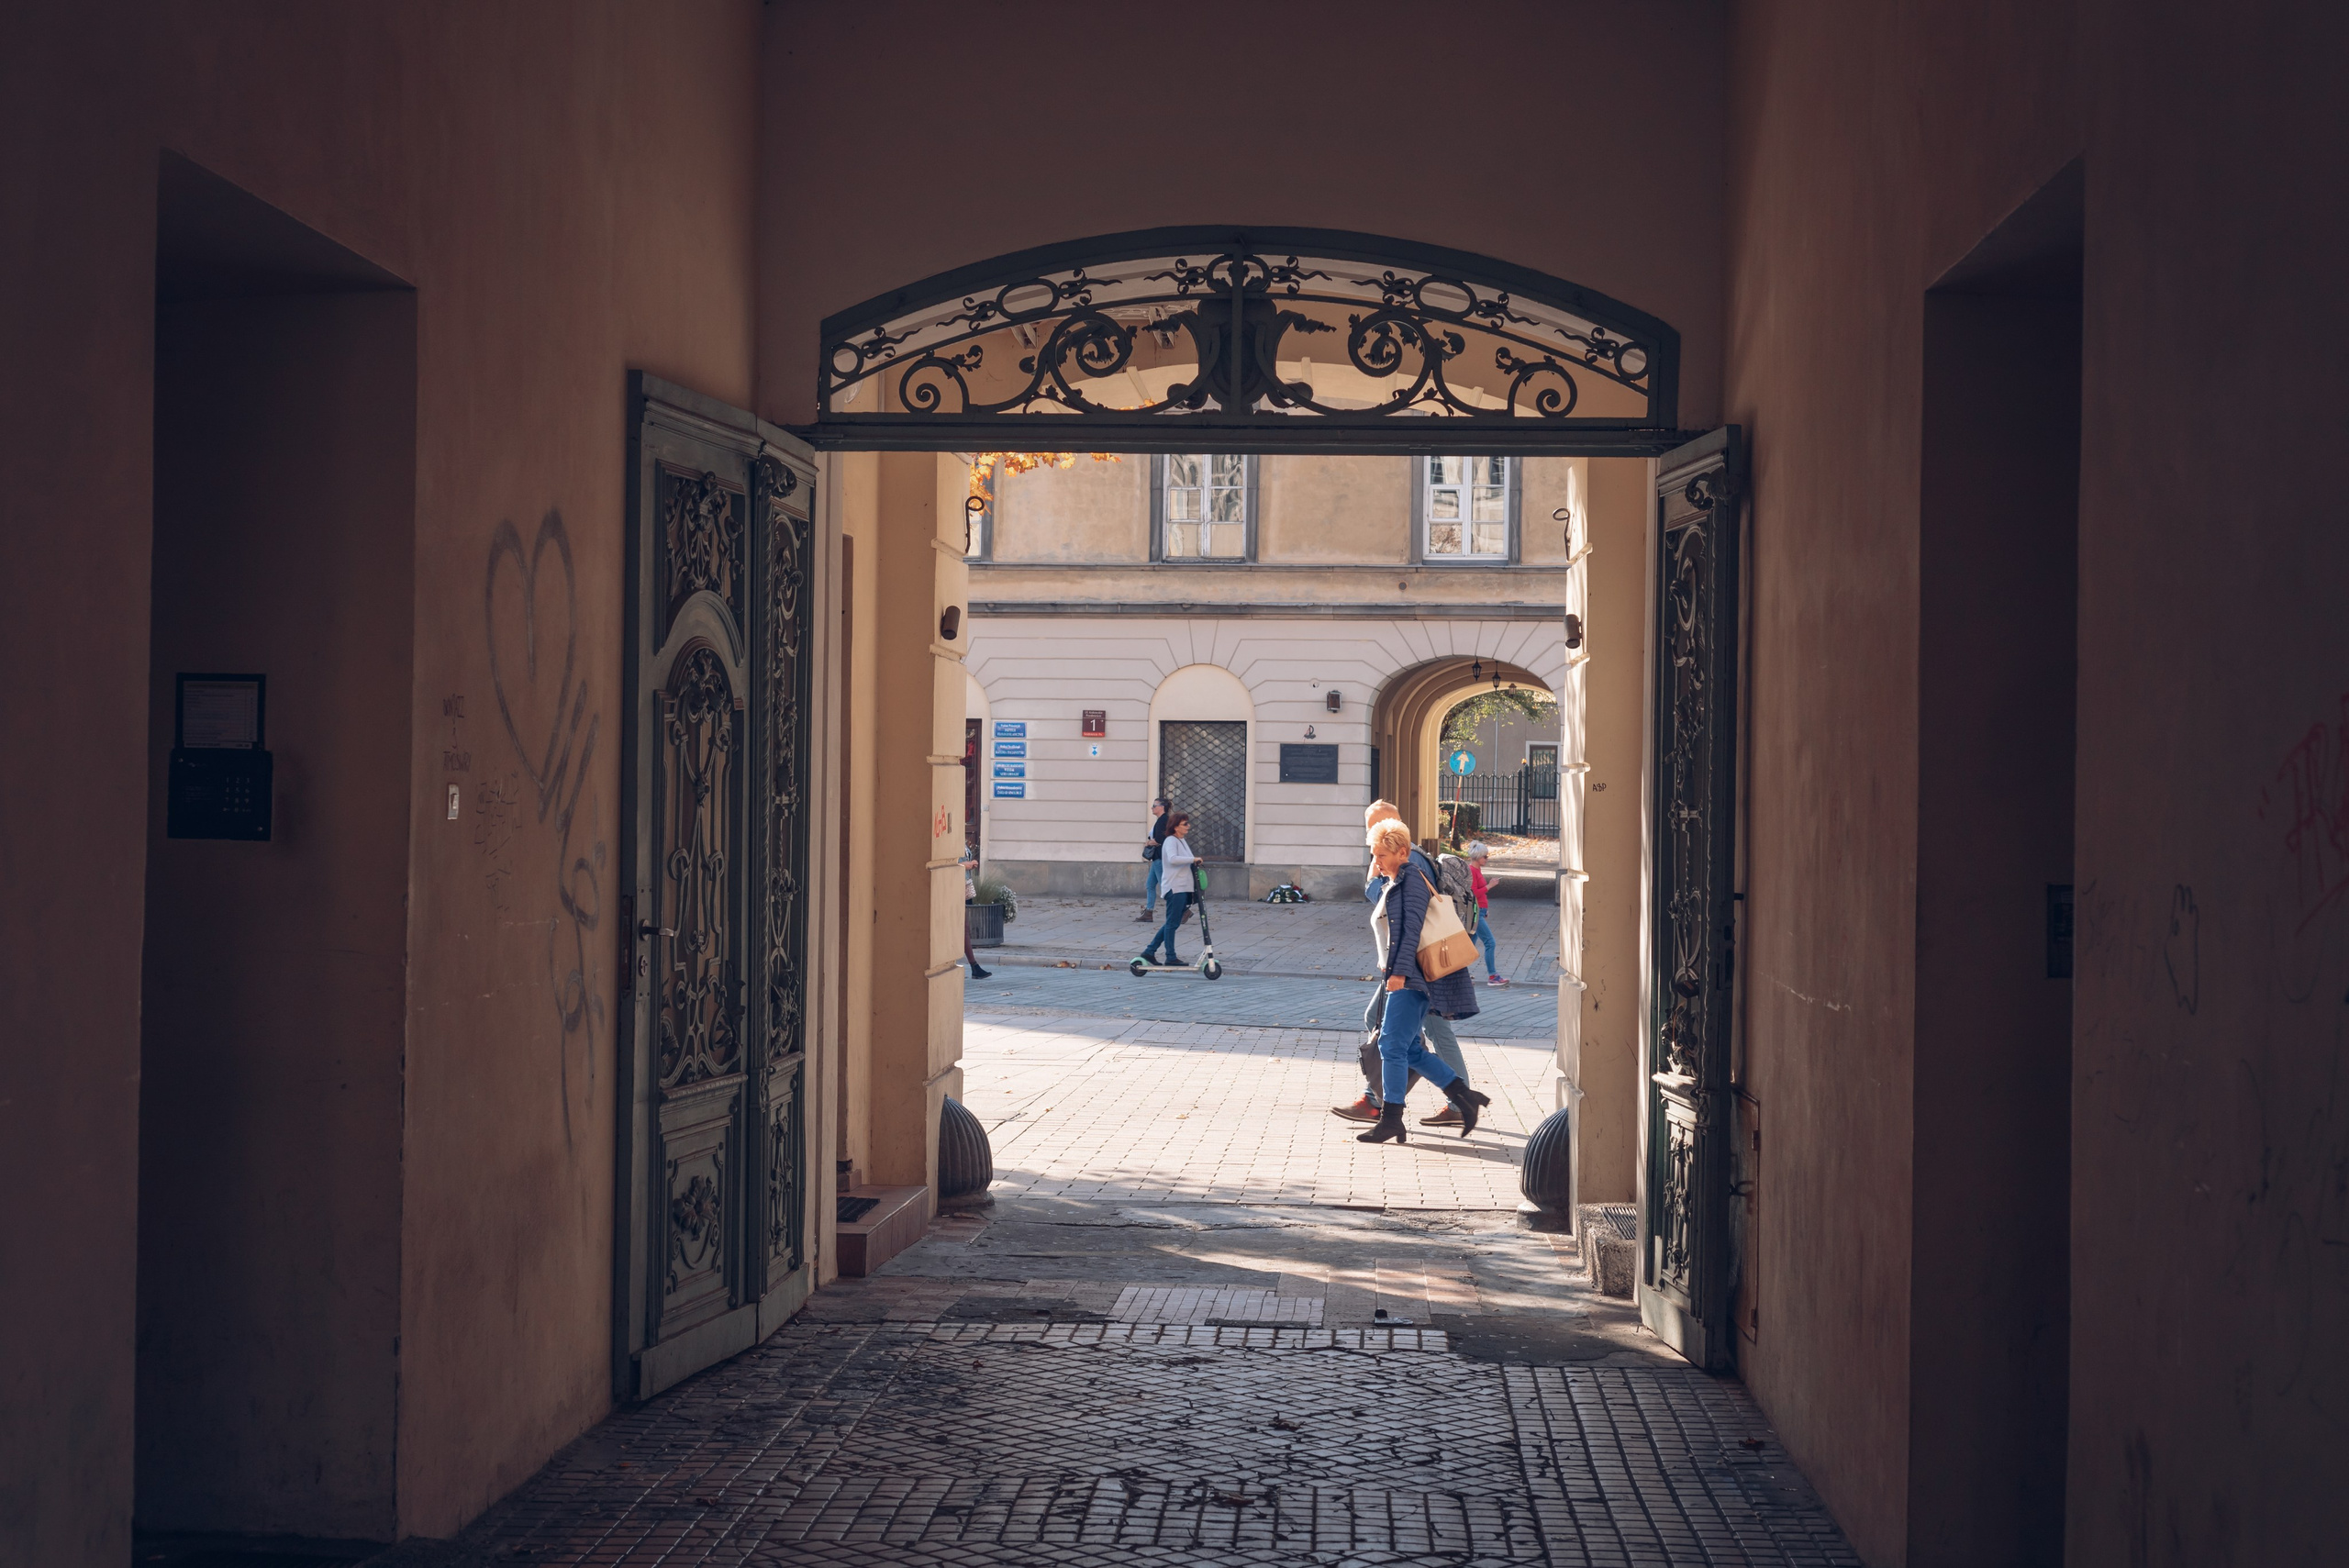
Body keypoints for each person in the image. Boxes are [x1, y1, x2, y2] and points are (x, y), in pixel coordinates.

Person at [1332, 800, 1478, 1127]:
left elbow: (1404, 918)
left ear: (1390, 828)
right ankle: (1451, 1099)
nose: (1369, 838)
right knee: (1406, 1035)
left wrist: (1398, 973)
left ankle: (1386, 1102)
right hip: (1413, 967)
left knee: (1414, 1032)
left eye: (1373, 829)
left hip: (1421, 968)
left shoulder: (1410, 864)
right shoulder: (1401, 861)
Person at [1137, 812, 1197, 966]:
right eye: (1185, 824)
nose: (1188, 826)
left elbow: (1186, 860)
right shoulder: (1171, 841)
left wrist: (1194, 862)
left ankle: (1150, 952)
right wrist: (1193, 859)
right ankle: (1170, 956)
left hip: (1183, 887)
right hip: (1174, 887)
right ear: (1176, 827)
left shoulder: (1181, 840)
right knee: (1171, 923)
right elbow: (1172, 859)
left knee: (1173, 922)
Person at [1464, 840, 1505, 984]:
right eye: (1485, 857)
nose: (1487, 859)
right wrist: (1490, 885)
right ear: (1477, 857)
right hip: (1476, 913)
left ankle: (1460, 975)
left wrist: (1484, 909)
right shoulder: (1472, 871)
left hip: (1479, 911)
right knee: (1490, 942)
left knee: (1469, 945)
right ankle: (1493, 976)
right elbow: (1474, 892)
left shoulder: (1477, 870)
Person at [1134, 796, 1173, 922]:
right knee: (1150, 885)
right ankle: (1148, 912)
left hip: (1160, 858)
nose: (1152, 808)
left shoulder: (1163, 820)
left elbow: (1163, 838)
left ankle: (1183, 910)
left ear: (1161, 807)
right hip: (1157, 858)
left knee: (1164, 887)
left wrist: (1150, 843)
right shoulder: (1161, 820)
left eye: (1154, 806)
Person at [960, 844, 991, 980]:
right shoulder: (951, 839)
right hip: (954, 887)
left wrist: (971, 864)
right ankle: (974, 966)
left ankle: (974, 967)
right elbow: (946, 863)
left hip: (963, 887)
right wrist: (963, 865)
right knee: (962, 927)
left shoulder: (960, 839)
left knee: (964, 927)